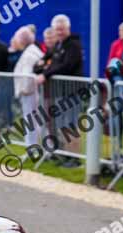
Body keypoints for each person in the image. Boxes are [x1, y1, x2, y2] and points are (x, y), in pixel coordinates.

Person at [36, 14, 84, 166]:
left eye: (62, 29)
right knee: (62, 124)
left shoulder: (73, 45)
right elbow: (44, 64)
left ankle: (74, 158)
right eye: (57, 30)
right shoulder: (58, 45)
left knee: (70, 124)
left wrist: (46, 73)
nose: (60, 32)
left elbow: (67, 65)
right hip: (60, 91)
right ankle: (65, 154)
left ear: (68, 28)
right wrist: (43, 68)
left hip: (72, 91)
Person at [12, 27, 44, 146]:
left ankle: (32, 145)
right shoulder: (31, 50)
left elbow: (27, 74)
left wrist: (24, 90)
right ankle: (33, 144)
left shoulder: (30, 53)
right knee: (32, 119)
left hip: (30, 92)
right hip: (30, 91)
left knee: (31, 119)